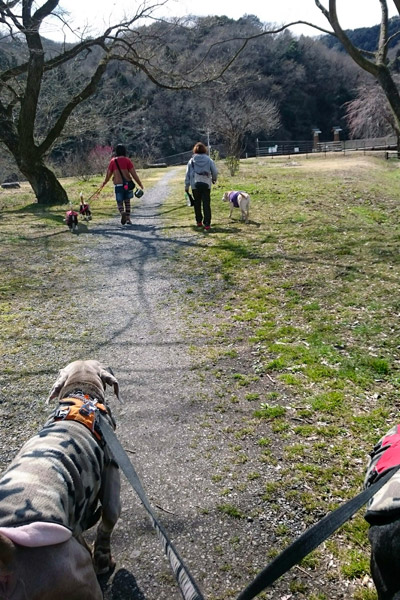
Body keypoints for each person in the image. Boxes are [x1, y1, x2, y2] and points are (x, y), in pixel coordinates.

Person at [102, 144, 144, 225]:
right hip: (127, 184)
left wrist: (104, 182)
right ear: (124, 151)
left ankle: (122, 213)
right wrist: (140, 184)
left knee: (119, 202)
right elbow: (134, 174)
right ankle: (128, 218)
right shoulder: (127, 160)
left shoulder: (113, 161)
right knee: (127, 202)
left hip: (118, 185)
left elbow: (108, 174)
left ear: (116, 151)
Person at [185, 142, 218, 231]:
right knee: (206, 204)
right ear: (204, 150)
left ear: (195, 150)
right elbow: (214, 171)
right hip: (206, 184)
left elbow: (187, 174)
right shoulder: (209, 160)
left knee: (197, 203)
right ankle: (207, 223)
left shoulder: (191, 161)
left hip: (195, 185)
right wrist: (214, 179)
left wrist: (187, 185)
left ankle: (199, 221)